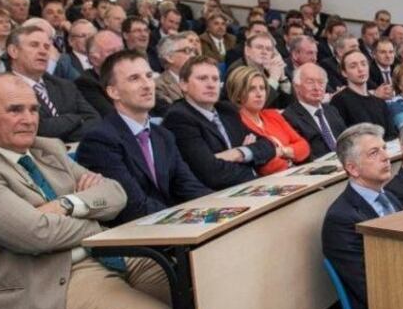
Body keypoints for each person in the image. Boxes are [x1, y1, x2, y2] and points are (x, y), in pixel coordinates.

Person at [0, 73, 174, 309]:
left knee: (184, 289)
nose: (28, 119)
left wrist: (68, 204)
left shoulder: (48, 149)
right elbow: (36, 234)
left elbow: (116, 193)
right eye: (14, 110)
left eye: (33, 109)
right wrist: (92, 218)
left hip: (97, 255)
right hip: (44, 278)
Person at [76, 50, 212, 225]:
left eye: (148, 76)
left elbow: (189, 186)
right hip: (135, 233)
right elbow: (133, 207)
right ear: (113, 92)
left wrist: (222, 208)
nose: (147, 85)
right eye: (134, 78)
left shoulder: (163, 135)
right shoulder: (99, 140)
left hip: (171, 224)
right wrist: (188, 218)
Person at [322, 123, 403, 309]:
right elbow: (368, 286)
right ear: (352, 168)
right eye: (374, 153)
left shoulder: (390, 197)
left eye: (384, 149)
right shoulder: (341, 218)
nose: (386, 156)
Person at [162, 56, 276, 189]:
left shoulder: (226, 110)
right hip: (212, 195)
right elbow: (211, 174)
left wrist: (238, 153)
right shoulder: (178, 117)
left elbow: (268, 146)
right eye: (202, 78)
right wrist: (249, 163)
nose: (211, 85)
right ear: (183, 84)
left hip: (244, 188)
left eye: (215, 79)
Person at [7, 24, 99, 142]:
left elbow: (94, 120)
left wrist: (61, 133)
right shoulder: (4, 88)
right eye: (34, 45)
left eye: (47, 47)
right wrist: (76, 118)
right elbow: (38, 129)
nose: (43, 52)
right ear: (13, 51)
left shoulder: (65, 86)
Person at [227, 66, 310, 175]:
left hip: (297, 172)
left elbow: (304, 147)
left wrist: (281, 151)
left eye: (262, 88)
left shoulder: (273, 115)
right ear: (238, 95)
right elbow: (267, 167)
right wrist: (291, 153)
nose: (259, 94)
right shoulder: (237, 124)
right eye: (251, 89)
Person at [282, 63, 348, 160]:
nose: (317, 88)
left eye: (321, 83)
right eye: (310, 82)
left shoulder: (331, 110)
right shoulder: (290, 117)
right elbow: (303, 154)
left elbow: (347, 139)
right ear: (296, 87)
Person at [330, 49, 398, 139]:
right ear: (344, 73)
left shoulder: (380, 102)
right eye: (353, 66)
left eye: (363, 64)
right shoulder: (339, 101)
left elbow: (392, 134)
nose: (360, 69)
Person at [75, 29, 126, 117]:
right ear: (94, 59)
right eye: (112, 52)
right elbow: (112, 116)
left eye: (122, 50)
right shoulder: (86, 83)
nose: (122, 56)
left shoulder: (132, 77)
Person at [155, 32, 197, 105]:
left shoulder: (200, 80)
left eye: (193, 51)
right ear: (169, 57)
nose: (193, 55)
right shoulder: (159, 86)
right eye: (187, 50)